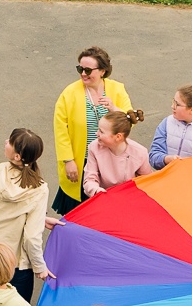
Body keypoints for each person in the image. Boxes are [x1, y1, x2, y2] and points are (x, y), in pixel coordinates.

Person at [52, 46, 132, 214]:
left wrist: (114, 108)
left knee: (107, 210)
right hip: (83, 161)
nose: (83, 74)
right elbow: (61, 130)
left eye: (88, 70)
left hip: (111, 160)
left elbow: (128, 122)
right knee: (79, 211)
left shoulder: (117, 89)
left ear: (102, 71)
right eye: (80, 69)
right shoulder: (69, 93)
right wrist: (68, 160)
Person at [0, 128, 50, 304]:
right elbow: (32, 237)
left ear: (17, 156)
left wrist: (42, 219)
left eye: (10, 141)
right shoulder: (38, 189)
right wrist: (40, 267)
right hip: (15, 266)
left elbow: (1, 209)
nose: (5, 142)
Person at [83, 109, 152, 198]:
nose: (97, 134)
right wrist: (96, 190)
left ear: (118, 137)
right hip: (103, 197)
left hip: (130, 198)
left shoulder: (139, 153)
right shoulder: (94, 147)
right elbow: (89, 178)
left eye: (102, 132)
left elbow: (146, 181)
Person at [150, 83, 192, 170]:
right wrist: (166, 159)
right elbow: (154, 155)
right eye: (173, 101)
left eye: (177, 104)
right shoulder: (166, 123)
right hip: (165, 181)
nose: (172, 106)